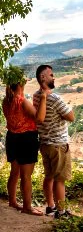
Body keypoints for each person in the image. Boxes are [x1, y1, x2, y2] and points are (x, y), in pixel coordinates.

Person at [2, 66, 47, 215]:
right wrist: (43, 98)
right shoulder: (22, 101)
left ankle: (12, 201)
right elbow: (39, 118)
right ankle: (27, 207)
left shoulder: (6, 101)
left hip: (12, 138)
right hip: (26, 139)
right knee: (26, 176)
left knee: (14, 172)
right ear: (21, 84)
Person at [32, 64, 74, 218]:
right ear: (43, 77)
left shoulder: (36, 96)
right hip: (58, 145)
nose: (54, 77)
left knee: (49, 176)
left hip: (45, 144)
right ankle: (61, 212)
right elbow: (71, 117)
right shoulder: (55, 98)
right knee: (60, 180)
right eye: (51, 75)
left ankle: (50, 207)